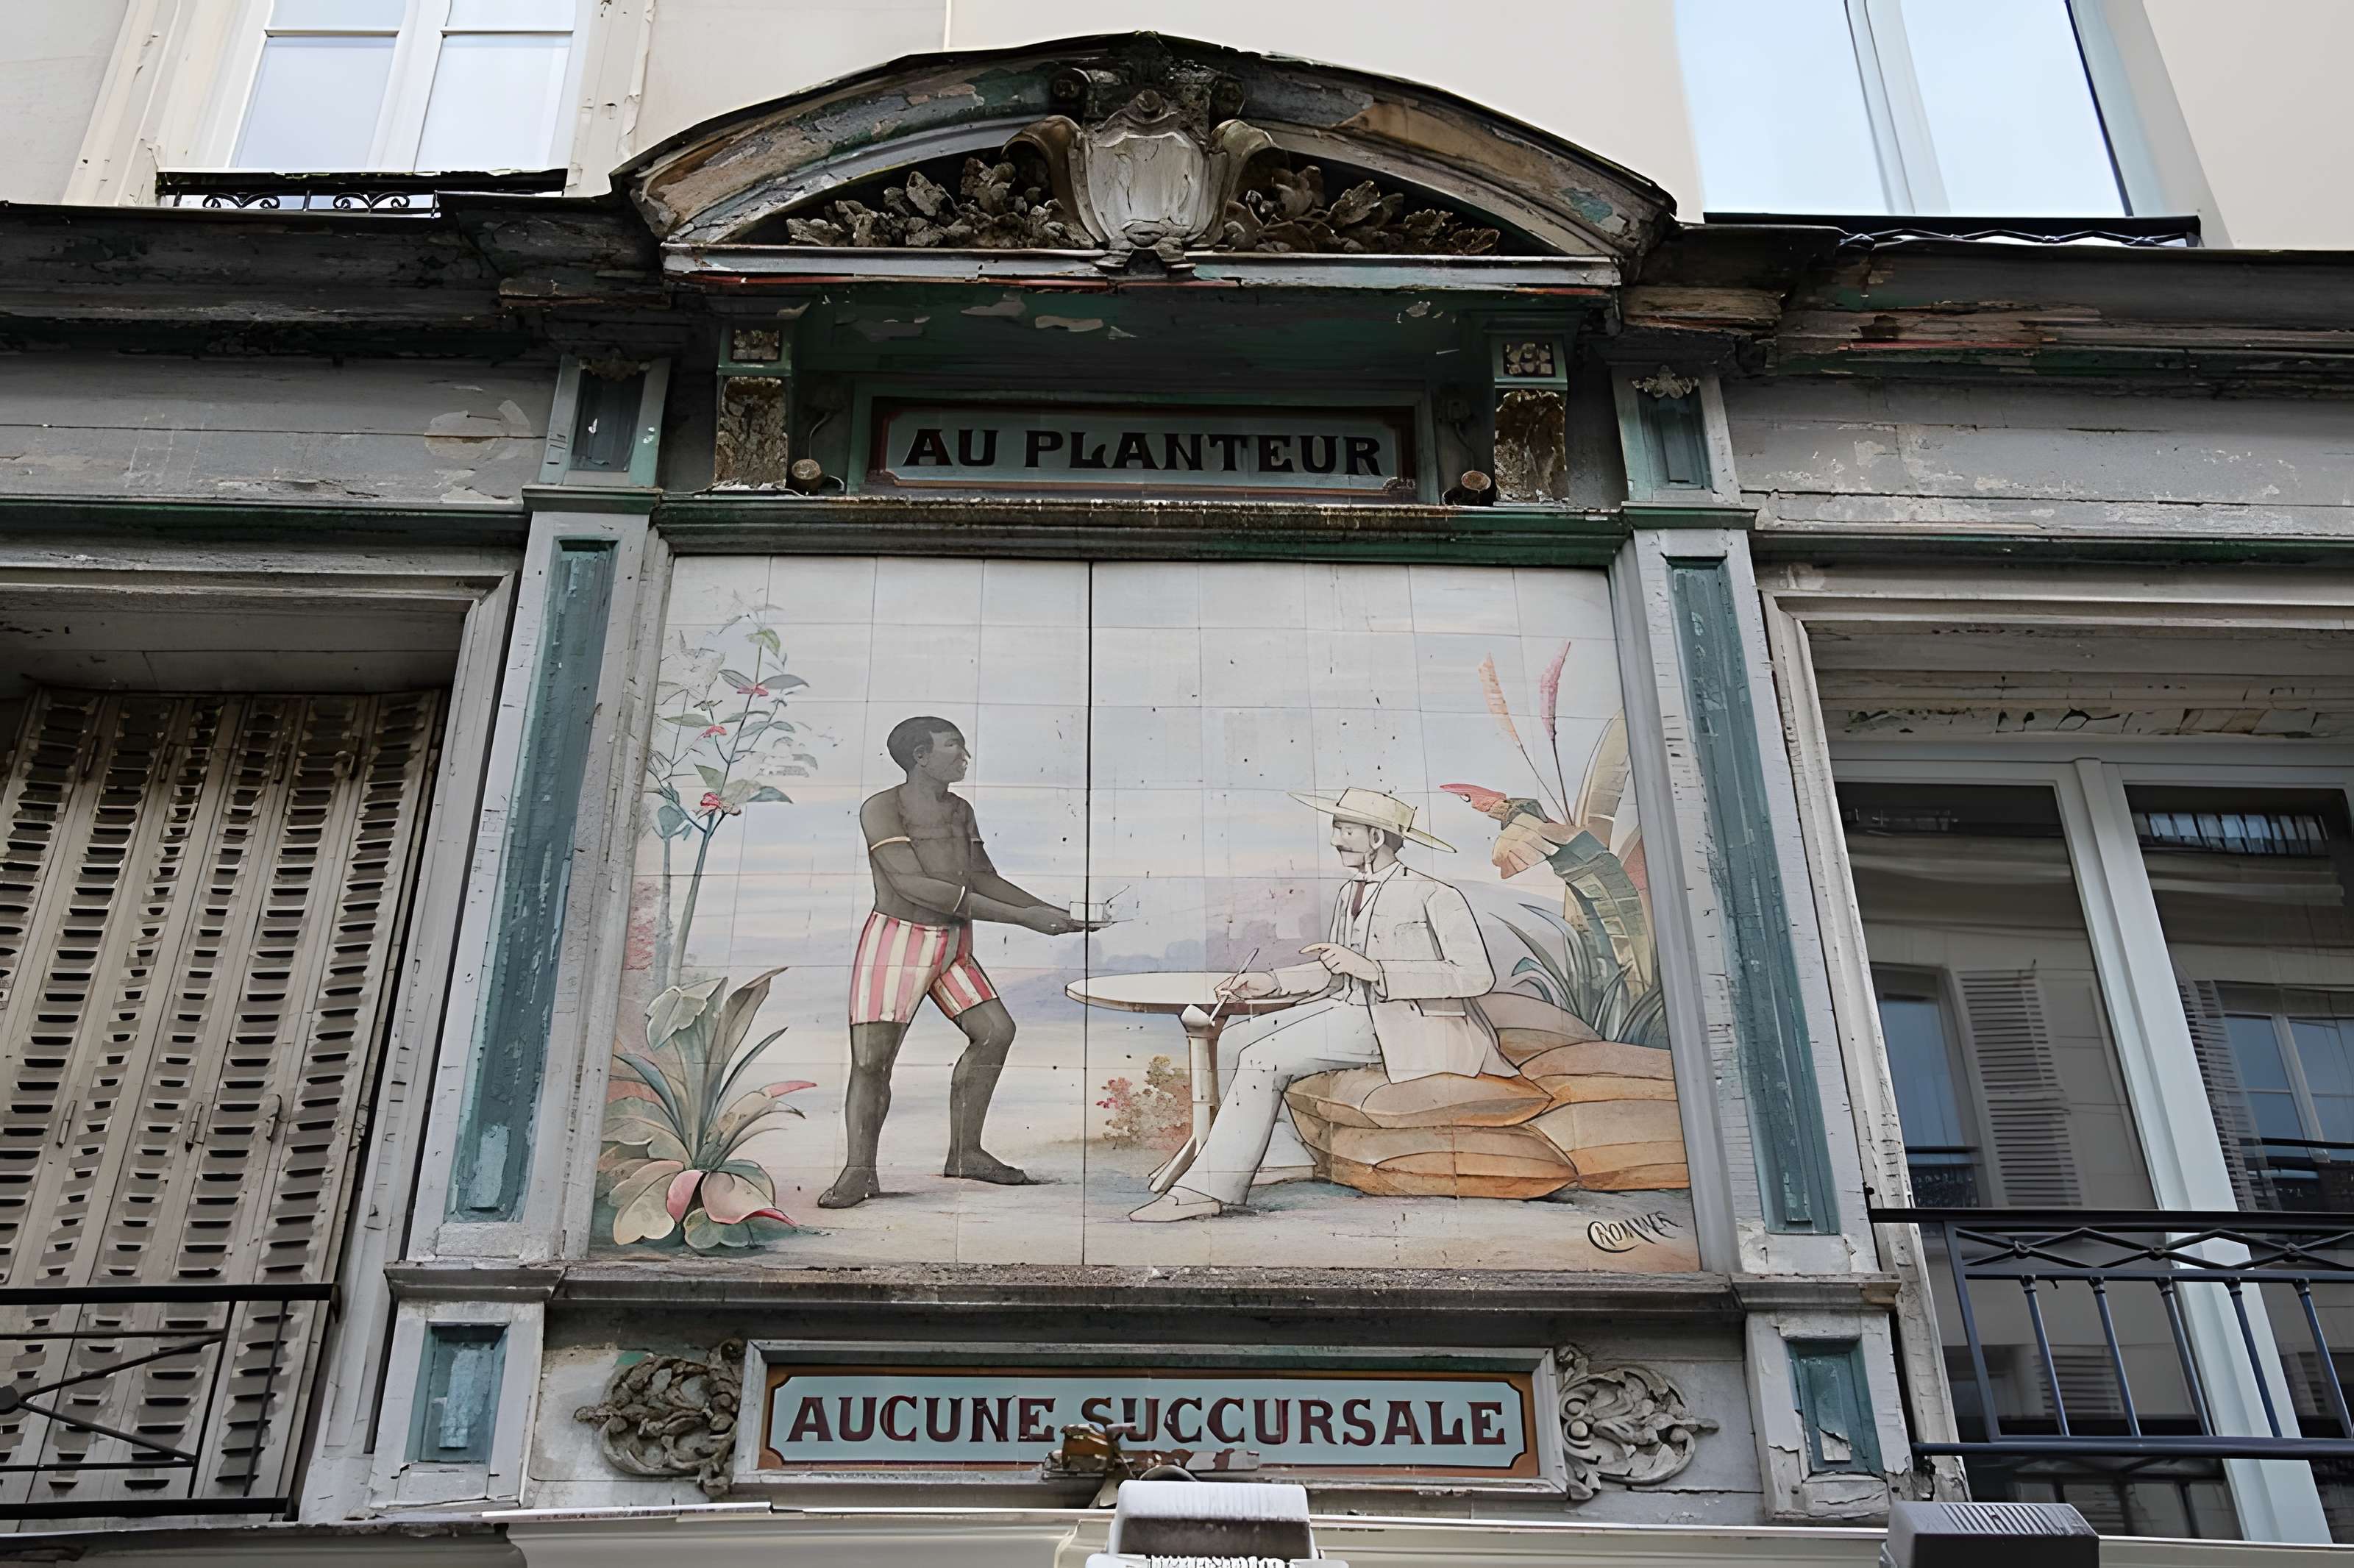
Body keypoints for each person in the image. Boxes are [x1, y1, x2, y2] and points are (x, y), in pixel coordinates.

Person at [1128, 788, 1512, 1222]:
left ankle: (1209, 1191)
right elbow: (1335, 972)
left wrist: (1377, 970)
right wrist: (1269, 982)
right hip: (1351, 1011)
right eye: (1335, 829)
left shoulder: (1435, 894)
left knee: (1262, 1058)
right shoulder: (1351, 891)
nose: (1336, 840)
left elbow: (1476, 975)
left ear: (1377, 838)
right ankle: (1280, 1156)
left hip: (1409, 1023)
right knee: (1235, 1039)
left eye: (1346, 830)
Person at [819, 716, 1099, 1210]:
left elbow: (983, 878)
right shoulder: (883, 808)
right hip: (898, 943)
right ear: (920, 756)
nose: (964, 756)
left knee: (995, 1033)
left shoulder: (959, 810)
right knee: (871, 1060)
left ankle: (966, 1153)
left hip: (952, 943)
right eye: (954, 747)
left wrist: (1051, 912)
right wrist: (1023, 919)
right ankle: (859, 1171)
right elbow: (914, 885)